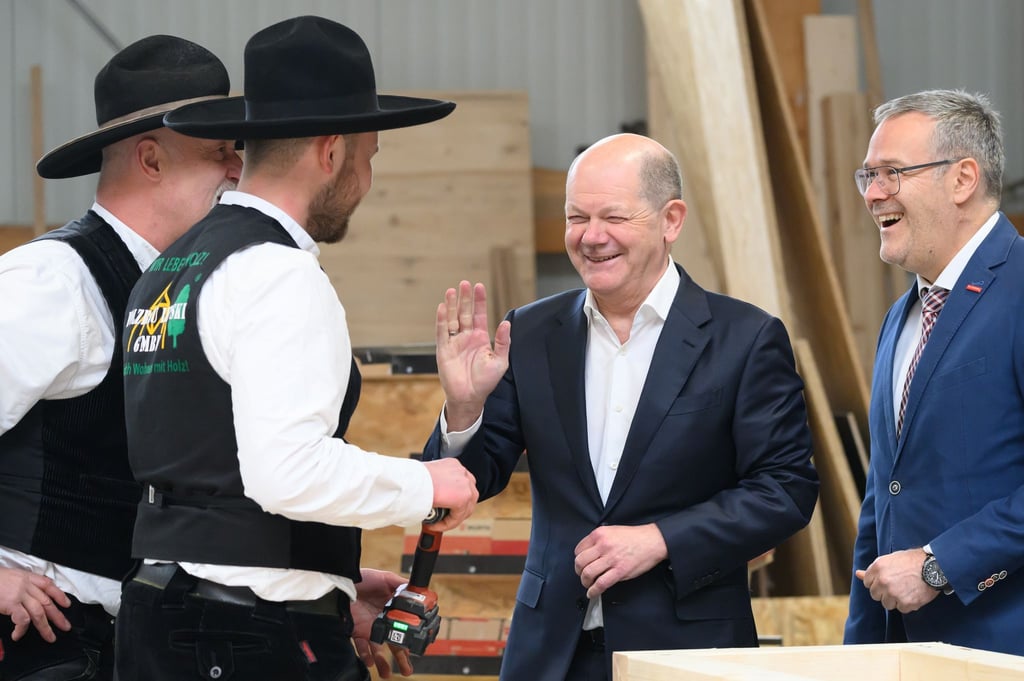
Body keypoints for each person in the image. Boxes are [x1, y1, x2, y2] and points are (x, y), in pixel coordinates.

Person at [115, 16, 479, 681]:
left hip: (159, 610)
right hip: (247, 636)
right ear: (332, 152)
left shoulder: (169, 270)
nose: (367, 180)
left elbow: (204, 464)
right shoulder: (279, 273)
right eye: (370, 155)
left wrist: (331, 578)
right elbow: (287, 472)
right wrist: (424, 483)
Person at [426, 133, 820, 681]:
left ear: (671, 220)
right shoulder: (533, 332)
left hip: (685, 651)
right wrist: (465, 409)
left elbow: (785, 489)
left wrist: (661, 540)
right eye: (576, 217)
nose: (591, 237)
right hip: (551, 654)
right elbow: (466, 482)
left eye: (613, 216)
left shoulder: (745, 339)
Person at [0, 35, 240, 680]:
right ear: (152, 159)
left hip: (138, 641)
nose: (239, 170)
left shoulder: (182, 288)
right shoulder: (49, 284)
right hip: (42, 643)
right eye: (221, 151)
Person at [845, 89, 1024, 656]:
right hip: (903, 654)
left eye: (893, 173)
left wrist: (938, 565)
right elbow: (883, 497)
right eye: (868, 176)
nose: (874, 194)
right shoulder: (904, 316)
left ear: (963, 178)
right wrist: (862, 653)